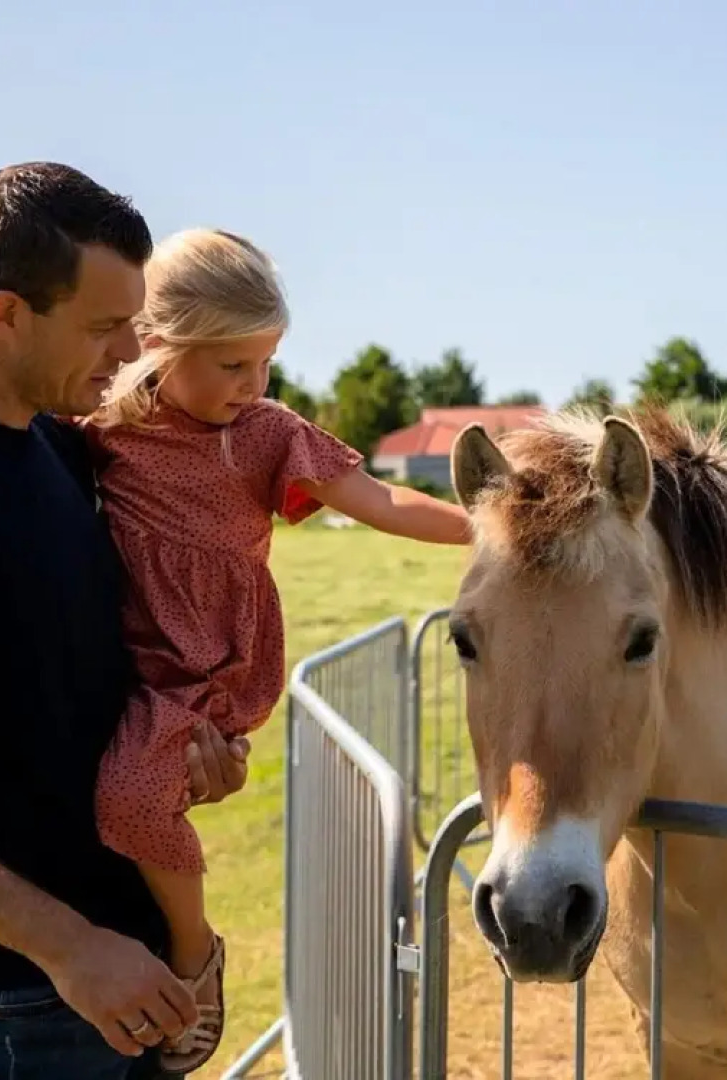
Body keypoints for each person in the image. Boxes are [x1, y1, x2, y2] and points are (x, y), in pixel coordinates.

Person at [80, 225, 472, 1072]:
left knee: (129, 797)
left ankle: (194, 949)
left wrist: (490, 527)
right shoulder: (104, 423)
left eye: (267, 363)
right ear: (159, 342)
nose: (253, 384)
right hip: (127, 652)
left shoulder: (264, 433)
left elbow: (385, 502)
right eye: (232, 364)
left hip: (204, 665)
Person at [0, 162, 252, 1078]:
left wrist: (189, 761)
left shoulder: (65, 452)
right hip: (20, 1001)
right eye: (105, 328)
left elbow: (69, 699)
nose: (130, 354)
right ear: (5, 314)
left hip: (132, 977)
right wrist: (68, 948)